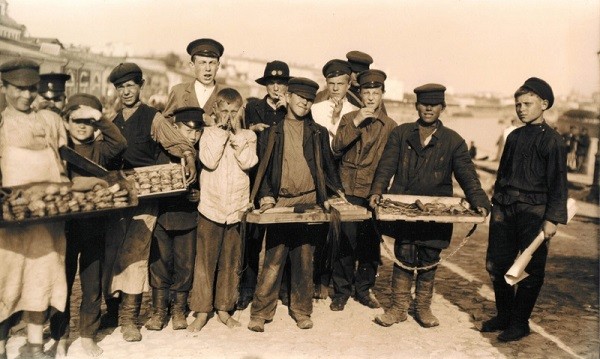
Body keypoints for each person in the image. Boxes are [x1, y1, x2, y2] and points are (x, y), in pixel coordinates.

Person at [369, 83, 490, 328]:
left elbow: (467, 175)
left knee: (429, 256)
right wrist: (377, 191)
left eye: (434, 105)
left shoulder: (453, 141)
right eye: (424, 104)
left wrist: (479, 201)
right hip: (404, 209)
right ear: (416, 106)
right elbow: (386, 166)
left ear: (442, 108)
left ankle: (423, 308)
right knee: (404, 254)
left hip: (437, 212)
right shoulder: (401, 134)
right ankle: (398, 307)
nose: (428, 109)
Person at [102, 62, 197, 342]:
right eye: (121, 87)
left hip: (145, 198)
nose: (126, 91)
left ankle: (129, 319)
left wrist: (188, 156)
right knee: (111, 254)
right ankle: (111, 311)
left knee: (135, 255)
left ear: (140, 86)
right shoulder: (113, 120)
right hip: (118, 199)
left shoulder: (152, 117)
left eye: (131, 85)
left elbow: (177, 142)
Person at [248, 78, 343, 332]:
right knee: (274, 258)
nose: (304, 103)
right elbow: (262, 169)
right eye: (300, 97)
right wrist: (266, 195)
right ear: (288, 97)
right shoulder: (272, 131)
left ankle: (302, 311)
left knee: (303, 258)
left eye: (309, 99)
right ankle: (260, 313)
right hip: (280, 203)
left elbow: (328, 168)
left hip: (309, 202)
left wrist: (336, 193)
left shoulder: (318, 132)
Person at [481, 77, 568, 342]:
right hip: (505, 209)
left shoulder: (553, 141)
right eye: (518, 104)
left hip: (534, 212)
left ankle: (520, 323)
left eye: (527, 104)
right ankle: (504, 315)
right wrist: (494, 202)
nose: (521, 109)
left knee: (530, 269)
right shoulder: (513, 137)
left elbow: (558, 184)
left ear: (544, 104)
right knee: (497, 264)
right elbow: (503, 172)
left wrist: (552, 219)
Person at [0, 58, 69, 359]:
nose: (26, 96)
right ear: (3, 87)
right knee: (6, 280)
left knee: (41, 276)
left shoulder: (50, 121)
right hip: (8, 219)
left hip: (46, 217)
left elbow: (64, 162)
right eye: (18, 89)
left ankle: (35, 346)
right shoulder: (1, 122)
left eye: (31, 89)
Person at [50, 93, 127, 357]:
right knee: (62, 284)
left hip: (94, 228)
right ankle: (60, 336)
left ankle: (87, 335)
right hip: (65, 229)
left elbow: (119, 142)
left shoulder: (100, 149)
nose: (82, 126)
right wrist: (94, 184)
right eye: (76, 120)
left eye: (88, 121)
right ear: (67, 122)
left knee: (92, 285)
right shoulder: (60, 152)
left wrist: (100, 117)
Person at [187, 88, 258, 332]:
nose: (228, 116)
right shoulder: (207, 134)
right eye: (224, 111)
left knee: (230, 261)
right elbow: (209, 161)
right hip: (211, 207)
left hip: (236, 208)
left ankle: (224, 309)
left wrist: (236, 134)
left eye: (233, 112)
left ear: (240, 112)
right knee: (205, 262)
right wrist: (221, 133)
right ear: (215, 111)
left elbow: (248, 161)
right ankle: (202, 310)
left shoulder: (248, 136)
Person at [330, 69, 396, 311]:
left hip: (371, 192)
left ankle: (364, 289)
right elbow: (336, 149)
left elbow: (390, 162)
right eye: (366, 92)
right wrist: (356, 123)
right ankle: (342, 291)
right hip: (346, 189)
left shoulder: (389, 125)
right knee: (344, 243)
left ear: (382, 94)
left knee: (370, 244)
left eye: (375, 92)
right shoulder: (348, 118)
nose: (370, 98)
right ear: (360, 94)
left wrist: (380, 191)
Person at [145, 107, 204, 332]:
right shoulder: (162, 150)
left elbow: (208, 181)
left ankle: (179, 310)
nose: (192, 136)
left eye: (197, 131)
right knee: (159, 264)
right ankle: (159, 311)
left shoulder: (200, 155)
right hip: (162, 215)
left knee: (184, 264)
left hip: (188, 217)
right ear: (175, 129)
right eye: (187, 130)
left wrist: (200, 194)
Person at [238, 60, 291, 310]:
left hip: (282, 177)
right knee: (251, 238)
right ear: (266, 85)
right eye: (272, 82)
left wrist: (288, 111)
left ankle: (280, 289)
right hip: (257, 178)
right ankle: (247, 289)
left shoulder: (291, 108)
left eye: (281, 83)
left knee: (281, 238)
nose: (276, 88)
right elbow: (239, 133)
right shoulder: (253, 107)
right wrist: (252, 129)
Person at [163, 38, 224, 122]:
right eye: (202, 63)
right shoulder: (178, 91)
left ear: (218, 66)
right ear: (192, 65)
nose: (208, 68)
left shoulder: (227, 94)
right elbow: (165, 125)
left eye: (212, 63)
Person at [311, 59, 358, 145]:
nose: (335, 88)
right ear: (326, 84)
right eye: (331, 83)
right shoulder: (315, 109)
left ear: (349, 84)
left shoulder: (355, 112)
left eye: (340, 84)